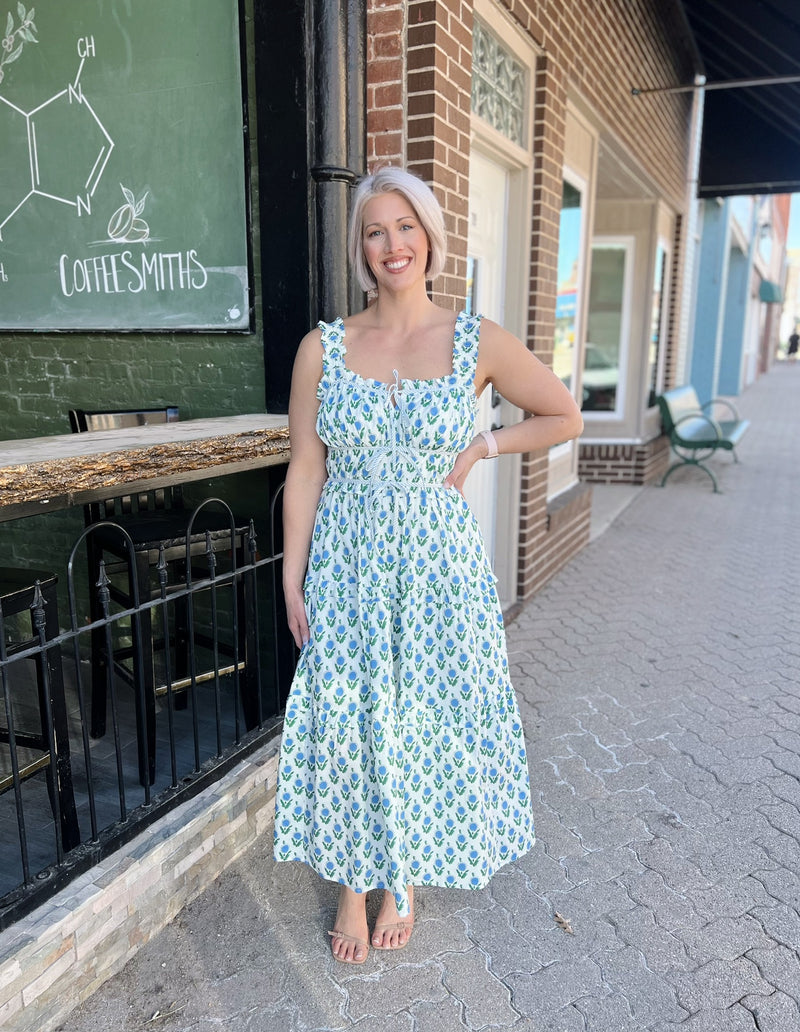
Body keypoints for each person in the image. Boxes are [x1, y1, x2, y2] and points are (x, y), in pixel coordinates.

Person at [273, 166, 584, 965]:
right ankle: (352, 881)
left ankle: (400, 874)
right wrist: (290, 575)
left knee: (418, 722)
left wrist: (485, 444)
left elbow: (561, 414)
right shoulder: (324, 347)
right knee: (349, 726)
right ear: (361, 248)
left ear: (430, 238)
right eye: (375, 232)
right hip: (346, 567)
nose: (391, 245)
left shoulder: (476, 339)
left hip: (440, 573)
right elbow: (306, 469)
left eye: (405, 227)